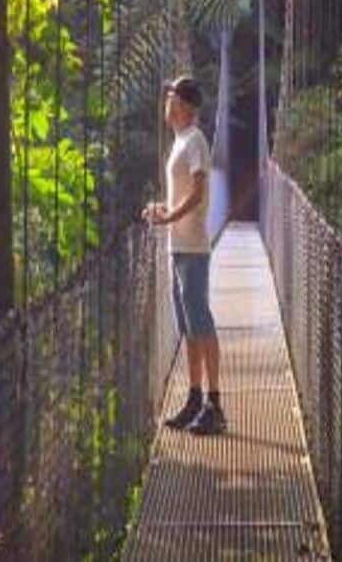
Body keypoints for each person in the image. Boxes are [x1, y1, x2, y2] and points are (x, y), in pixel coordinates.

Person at [142, 76, 224, 436]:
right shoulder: (179, 143)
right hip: (178, 247)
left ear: (186, 106)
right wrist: (161, 209)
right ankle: (194, 398)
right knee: (189, 327)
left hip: (192, 249)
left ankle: (215, 404)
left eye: (172, 96)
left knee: (201, 322)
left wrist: (169, 217)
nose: (167, 102)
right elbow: (184, 197)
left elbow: (199, 192)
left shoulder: (195, 141)